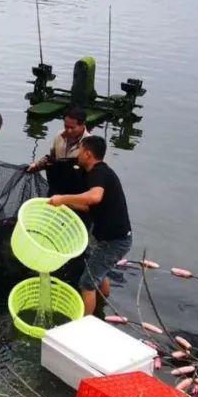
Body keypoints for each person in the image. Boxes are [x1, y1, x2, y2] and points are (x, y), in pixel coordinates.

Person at [48, 136, 132, 317]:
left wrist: (63, 198)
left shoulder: (98, 172)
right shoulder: (97, 173)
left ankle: (84, 326)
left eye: (80, 150)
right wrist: (64, 204)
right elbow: (89, 206)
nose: (77, 154)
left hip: (115, 241)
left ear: (87, 154)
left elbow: (94, 197)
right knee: (99, 271)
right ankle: (103, 302)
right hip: (108, 237)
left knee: (86, 283)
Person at [26, 106, 89, 197]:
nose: (68, 130)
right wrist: (36, 165)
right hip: (56, 186)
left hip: (76, 192)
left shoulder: (90, 144)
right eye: (66, 126)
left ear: (83, 124)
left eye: (72, 127)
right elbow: (52, 159)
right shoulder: (59, 136)